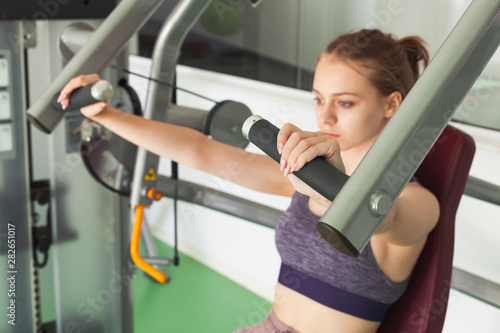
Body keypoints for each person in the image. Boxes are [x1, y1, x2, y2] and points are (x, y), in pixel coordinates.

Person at [58, 29, 439, 333]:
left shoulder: (415, 202)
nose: (325, 118)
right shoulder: (303, 177)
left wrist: (335, 183)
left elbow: (383, 218)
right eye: (318, 99)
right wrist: (107, 115)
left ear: (391, 104)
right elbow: (202, 153)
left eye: (344, 102)